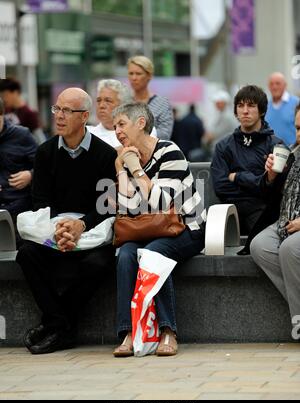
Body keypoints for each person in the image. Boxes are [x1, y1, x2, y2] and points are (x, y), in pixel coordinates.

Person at [16, 88, 117, 355]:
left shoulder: (105, 155)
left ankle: (54, 325)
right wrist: (59, 230)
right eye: (56, 109)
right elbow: (40, 202)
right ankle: (62, 326)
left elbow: (106, 207)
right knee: (27, 255)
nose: (59, 116)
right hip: (54, 231)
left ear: (84, 116)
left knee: (100, 264)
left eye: (66, 111)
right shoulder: (45, 152)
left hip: (92, 232)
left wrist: (80, 226)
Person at [112, 102, 205, 357]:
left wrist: (135, 168)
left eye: (121, 124)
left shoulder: (169, 151)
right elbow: (127, 206)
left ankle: (167, 331)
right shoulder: (126, 157)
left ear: (140, 123)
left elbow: (163, 202)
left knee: (152, 254)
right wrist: (121, 170)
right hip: (148, 230)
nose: (117, 132)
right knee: (126, 255)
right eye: (114, 127)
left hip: (187, 227)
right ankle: (128, 332)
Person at [250, 102, 300, 340]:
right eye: (298, 128)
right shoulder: (292, 153)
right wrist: (270, 176)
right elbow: (269, 196)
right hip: (285, 219)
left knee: (290, 248)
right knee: (260, 246)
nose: (299, 135)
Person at [211, 85, 282, 235]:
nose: (245, 111)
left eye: (251, 106)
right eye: (240, 105)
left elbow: (274, 189)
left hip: (265, 214)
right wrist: (259, 182)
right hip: (228, 214)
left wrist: (237, 176)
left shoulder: (276, 146)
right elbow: (221, 187)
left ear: (261, 111)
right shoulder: (223, 146)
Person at [0, 97, 37, 227]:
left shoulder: (22, 135)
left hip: (20, 210)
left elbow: (46, 166)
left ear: (2, 114)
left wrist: (31, 175)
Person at [127, 56, 174, 140]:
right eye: (131, 73)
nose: (134, 78)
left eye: (138, 74)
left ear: (149, 76)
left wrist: (137, 133)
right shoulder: (123, 102)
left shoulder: (162, 103)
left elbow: (165, 134)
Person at [0, 77, 46, 145]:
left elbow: (40, 139)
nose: (3, 99)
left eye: (5, 95)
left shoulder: (29, 114)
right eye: (1, 96)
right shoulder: (5, 110)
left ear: (15, 92)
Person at [87, 79, 132, 148]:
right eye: (98, 100)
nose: (101, 105)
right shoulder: (86, 134)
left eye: (108, 101)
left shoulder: (135, 134)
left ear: (123, 105)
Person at [265, 72, 299, 146]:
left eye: (278, 83)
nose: (274, 87)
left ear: (285, 85)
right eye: (271, 84)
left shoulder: (297, 103)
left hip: (293, 153)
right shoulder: (265, 106)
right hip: (271, 154)